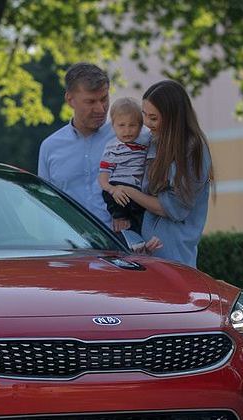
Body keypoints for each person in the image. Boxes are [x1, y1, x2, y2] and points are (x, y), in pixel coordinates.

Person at [110, 80, 213, 267]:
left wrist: (129, 192)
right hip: (147, 253)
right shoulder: (153, 141)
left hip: (174, 256)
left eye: (153, 118)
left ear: (173, 118)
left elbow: (173, 208)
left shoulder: (192, 150)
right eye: (144, 115)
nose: (147, 123)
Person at [37, 63, 115, 228]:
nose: (101, 109)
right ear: (69, 100)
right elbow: (46, 206)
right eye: (90, 101)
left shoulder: (129, 137)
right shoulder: (49, 147)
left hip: (122, 241)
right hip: (70, 241)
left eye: (104, 99)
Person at [98, 97, 151, 233]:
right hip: (117, 188)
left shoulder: (146, 142)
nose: (127, 130)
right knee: (114, 199)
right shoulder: (112, 148)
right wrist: (112, 190)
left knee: (141, 217)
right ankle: (120, 220)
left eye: (132, 125)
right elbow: (103, 179)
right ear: (113, 126)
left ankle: (136, 233)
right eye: (121, 125)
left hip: (137, 190)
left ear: (141, 125)